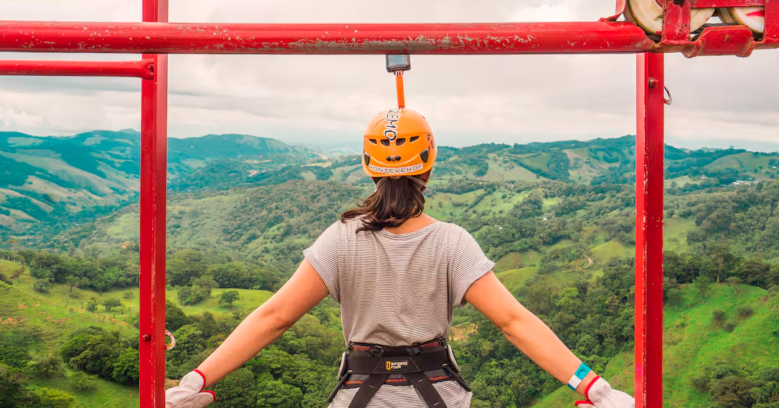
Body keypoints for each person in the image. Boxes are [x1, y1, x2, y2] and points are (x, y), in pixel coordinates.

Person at [166, 108, 634, 408]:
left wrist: (197, 378)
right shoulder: (453, 242)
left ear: (369, 165)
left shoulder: (340, 238)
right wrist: (592, 386)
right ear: (429, 162)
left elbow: (274, 317)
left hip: (358, 397)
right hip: (440, 396)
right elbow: (515, 322)